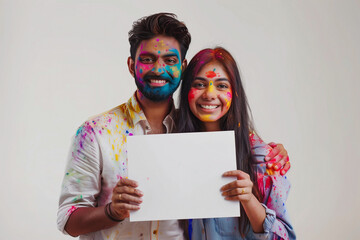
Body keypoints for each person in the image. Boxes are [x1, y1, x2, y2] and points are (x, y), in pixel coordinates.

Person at [57, 13, 290, 239]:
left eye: (169, 60)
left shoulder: (199, 132)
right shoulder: (96, 132)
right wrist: (112, 212)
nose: (159, 69)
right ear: (131, 65)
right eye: (147, 59)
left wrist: (271, 153)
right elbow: (68, 221)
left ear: (183, 67)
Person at [176, 47, 296, 239]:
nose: (209, 94)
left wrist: (249, 200)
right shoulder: (173, 148)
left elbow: (285, 236)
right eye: (199, 84)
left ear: (235, 92)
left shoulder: (261, 156)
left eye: (222, 85)